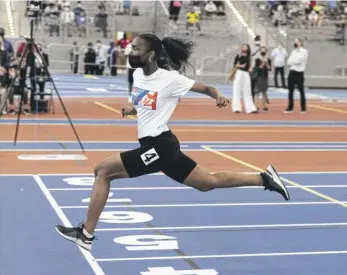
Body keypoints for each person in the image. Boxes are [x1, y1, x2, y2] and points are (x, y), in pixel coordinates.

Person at [55, 33, 290, 251]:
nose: (130, 51)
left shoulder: (170, 79)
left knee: (103, 170)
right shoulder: (138, 75)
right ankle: (264, 178)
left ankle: (86, 234)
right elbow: (143, 102)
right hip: (161, 146)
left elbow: (205, 87)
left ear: (151, 55)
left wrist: (217, 95)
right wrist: (131, 107)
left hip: (160, 146)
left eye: (136, 48)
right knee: (207, 182)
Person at [231, 44, 257, 114]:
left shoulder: (250, 57)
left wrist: (251, 68)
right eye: (243, 47)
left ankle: (251, 109)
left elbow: (251, 67)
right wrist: (240, 65)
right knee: (236, 90)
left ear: (248, 49)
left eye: (246, 47)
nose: (244, 48)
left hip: (246, 74)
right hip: (238, 73)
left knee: (247, 91)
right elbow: (235, 65)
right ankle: (236, 108)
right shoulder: (238, 56)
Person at [284, 38, 308, 114]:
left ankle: (303, 108)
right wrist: (292, 62)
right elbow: (288, 62)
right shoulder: (293, 51)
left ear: (300, 42)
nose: (295, 43)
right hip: (292, 72)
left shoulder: (304, 51)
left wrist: (292, 62)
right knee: (290, 91)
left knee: (301, 91)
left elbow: (300, 61)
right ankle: (290, 108)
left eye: (296, 41)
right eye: (295, 41)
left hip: (299, 73)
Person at [254, 46, 271, 112]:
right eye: (262, 51)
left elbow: (269, 68)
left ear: (266, 52)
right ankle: (256, 106)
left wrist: (266, 63)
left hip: (265, 77)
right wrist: (263, 62)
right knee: (257, 93)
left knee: (264, 92)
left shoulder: (268, 59)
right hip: (258, 77)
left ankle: (264, 107)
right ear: (260, 52)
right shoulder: (257, 59)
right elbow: (258, 68)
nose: (263, 52)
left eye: (264, 51)